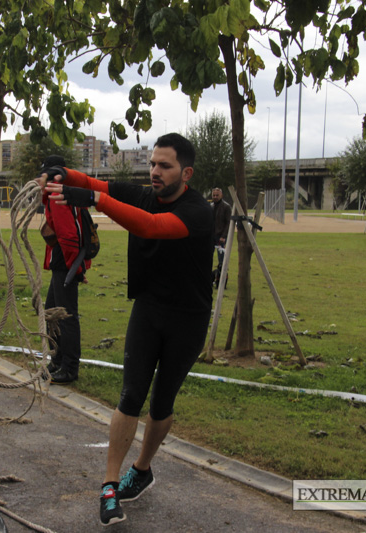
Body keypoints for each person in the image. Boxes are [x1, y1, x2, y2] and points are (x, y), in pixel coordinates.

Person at [42, 133, 213, 526]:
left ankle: (143, 468)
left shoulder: (198, 211)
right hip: (149, 310)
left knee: (162, 403)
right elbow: (92, 183)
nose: (154, 171)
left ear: (185, 173)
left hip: (189, 318)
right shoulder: (142, 194)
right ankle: (109, 484)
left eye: (164, 166)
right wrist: (60, 173)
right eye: (152, 163)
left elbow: (151, 227)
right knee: (131, 394)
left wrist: (98, 202)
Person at [37, 154, 91, 384]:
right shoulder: (61, 192)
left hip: (66, 263)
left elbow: (68, 235)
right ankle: (57, 360)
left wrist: (75, 270)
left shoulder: (57, 196)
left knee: (65, 315)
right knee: (52, 310)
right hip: (63, 261)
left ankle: (69, 367)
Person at [211, 187, 232, 287]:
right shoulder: (210, 206)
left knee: (222, 260)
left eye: (217, 195)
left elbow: (229, 223)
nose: (215, 197)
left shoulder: (226, 207)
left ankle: (222, 281)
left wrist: (224, 236)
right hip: (211, 237)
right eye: (214, 195)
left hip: (221, 237)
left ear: (221, 195)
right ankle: (210, 278)